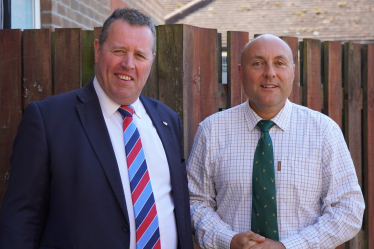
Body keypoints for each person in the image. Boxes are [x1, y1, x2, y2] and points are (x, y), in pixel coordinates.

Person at [0, 8, 193, 249]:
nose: (128, 64)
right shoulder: (48, 120)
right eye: (119, 51)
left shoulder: (168, 120)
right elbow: (21, 220)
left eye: (140, 55)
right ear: (97, 50)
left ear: (151, 61)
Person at [187, 34, 365, 249]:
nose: (269, 73)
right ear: (241, 72)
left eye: (279, 63)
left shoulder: (323, 131)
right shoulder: (211, 131)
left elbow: (348, 208)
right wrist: (229, 240)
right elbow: (195, 201)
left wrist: (288, 247)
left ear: (292, 72)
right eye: (258, 63)